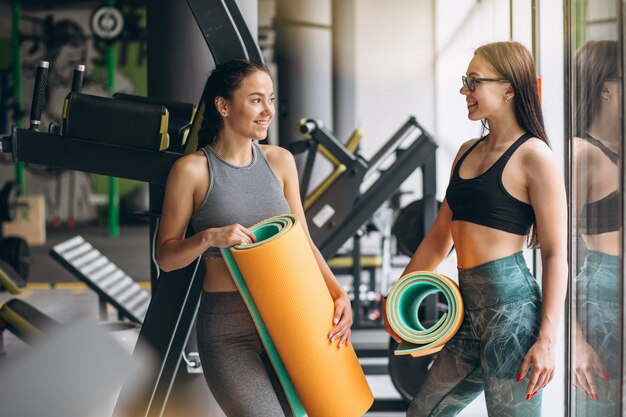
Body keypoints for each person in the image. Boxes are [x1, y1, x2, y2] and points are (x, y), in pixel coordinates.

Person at [155, 59, 352, 417]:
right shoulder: (192, 171)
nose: (268, 111)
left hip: (291, 318)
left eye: (271, 100)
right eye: (257, 100)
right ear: (223, 105)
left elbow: (303, 241)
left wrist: (338, 294)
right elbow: (165, 258)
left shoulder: (280, 161)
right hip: (228, 333)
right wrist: (208, 238)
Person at [384, 40, 568, 416]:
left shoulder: (534, 156)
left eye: (472, 81)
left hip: (514, 318)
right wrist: (398, 301)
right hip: (470, 314)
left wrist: (548, 338)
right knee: (423, 412)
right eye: (464, 81)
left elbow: (555, 254)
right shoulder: (467, 150)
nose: (463, 90)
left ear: (508, 89)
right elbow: (438, 239)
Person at [572, 40, 621, 415]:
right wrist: (573, 340)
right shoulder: (582, 152)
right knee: (603, 407)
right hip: (604, 294)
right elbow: (552, 251)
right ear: (607, 88)